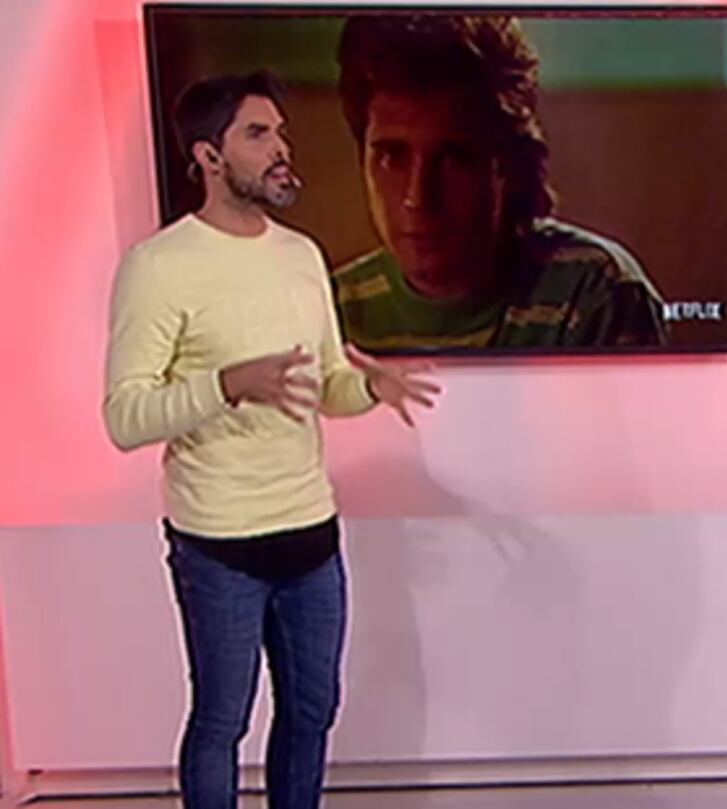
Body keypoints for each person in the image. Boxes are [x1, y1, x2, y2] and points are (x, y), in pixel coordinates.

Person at [103, 71, 439, 809]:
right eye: (258, 134)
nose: (281, 147)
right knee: (221, 722)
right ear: (208, 156)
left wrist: (368, 388)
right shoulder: (158, 266)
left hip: (311, 533)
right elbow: (125, 416)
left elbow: (323, 384)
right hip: (218, 544)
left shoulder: (301, 255)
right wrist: (226, 383)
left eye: (280, 132)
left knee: (312, 712)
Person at [332, 13, 668, 351]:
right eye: (392, 157)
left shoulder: (595, 294)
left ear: (506, 163)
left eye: (454, 158)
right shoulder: (330, 308)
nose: (418, 198)